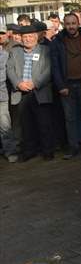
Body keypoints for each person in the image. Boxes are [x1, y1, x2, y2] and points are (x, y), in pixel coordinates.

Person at [6, 24, 54, 161]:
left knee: (44, 123)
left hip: (39, 91)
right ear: (21, 38)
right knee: (26, 125)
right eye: (25, 37)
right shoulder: (15, 52)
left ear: (36, 37)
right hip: (21, 93)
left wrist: (36, 83)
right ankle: (29, 151)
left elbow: (49, 70)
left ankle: (47, 151)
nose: (27, 39)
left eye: (30, 36)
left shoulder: (45, 50)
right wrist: (18, 83)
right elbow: (10, 70)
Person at [50, 13, 81, 159]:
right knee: (70, 118)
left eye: (73, 23)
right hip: (67, 84)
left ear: (78, 23)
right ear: (64, 24)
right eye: (68, 24)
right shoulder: (57, 41)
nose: (71, 27)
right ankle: (73, 148)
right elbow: (54, 66)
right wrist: (61, 85)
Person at [0, 26, 18, 163]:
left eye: (1, 33)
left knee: (5, 125)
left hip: (3, 95)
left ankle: (10, 151)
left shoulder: (7, 54)